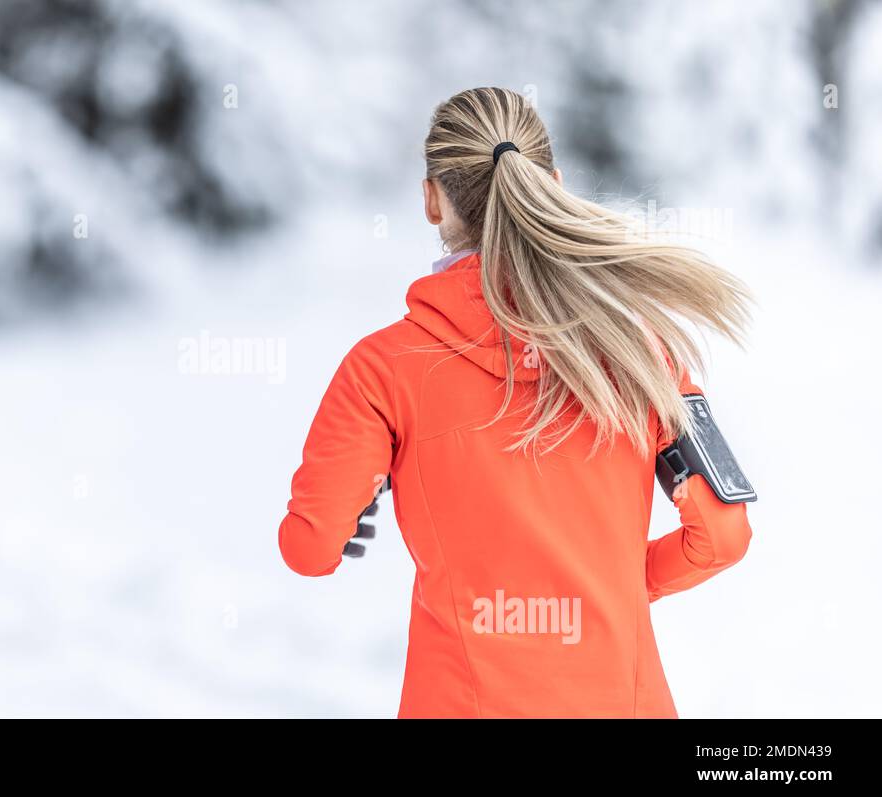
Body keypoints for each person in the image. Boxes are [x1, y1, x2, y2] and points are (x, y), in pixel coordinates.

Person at [277, 87, 755, 718]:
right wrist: (611, 587)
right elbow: (722, 537)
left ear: (430, 198)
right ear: (552, 184)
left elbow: (310, 550)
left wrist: (345, 515)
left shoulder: (382, 370)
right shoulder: (641, 351)